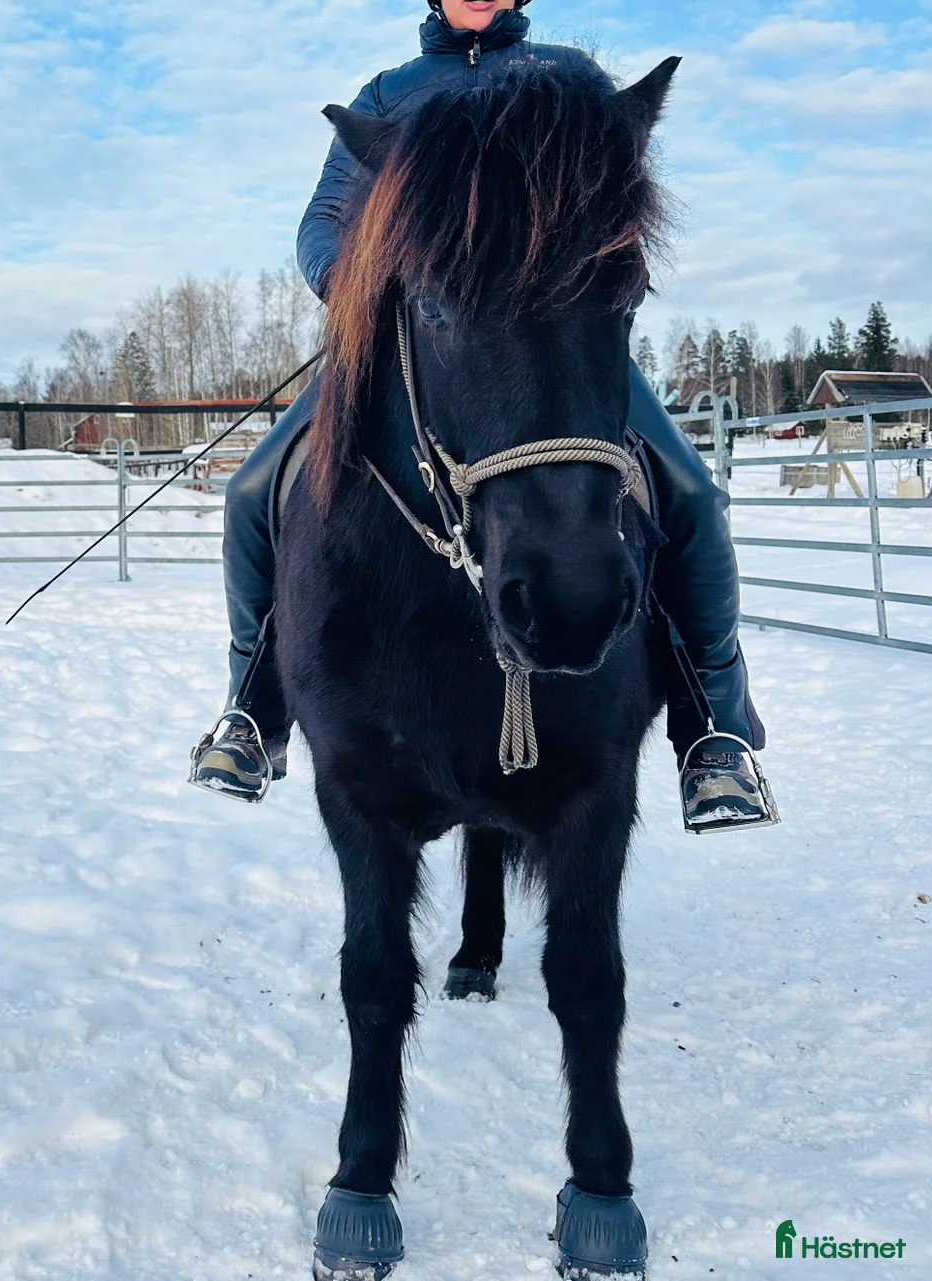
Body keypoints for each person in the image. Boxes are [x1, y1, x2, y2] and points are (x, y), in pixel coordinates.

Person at [190, 0, 778, 833]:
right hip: (425, 333)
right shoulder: (391, 96)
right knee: (255, 489)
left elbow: (620, 192)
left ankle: (715, 730)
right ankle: (253, 712)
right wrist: (372, 286)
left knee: (688, 491)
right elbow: (323, 223)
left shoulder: (568, 78)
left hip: (561, 343)